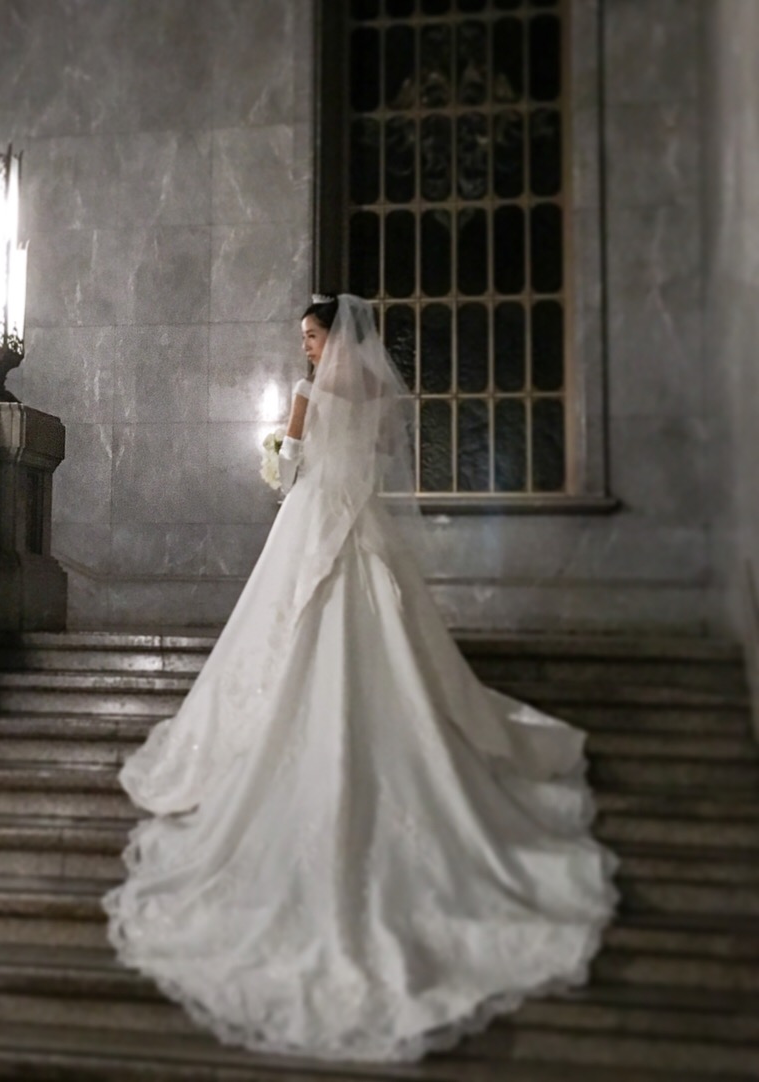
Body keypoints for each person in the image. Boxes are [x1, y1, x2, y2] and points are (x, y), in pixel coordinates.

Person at [103, 294, 618, 1063]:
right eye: (306, 341)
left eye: (311, 337)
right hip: (363, 524)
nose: (308, 350)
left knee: (296, 628)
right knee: (386, 631)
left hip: (314, 521)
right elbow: (379, 464)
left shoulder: (309, 393)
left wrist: (276, 454)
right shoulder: (380, 390)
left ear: (331, 335)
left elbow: (290, 470)